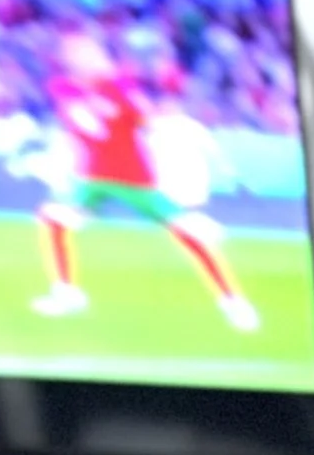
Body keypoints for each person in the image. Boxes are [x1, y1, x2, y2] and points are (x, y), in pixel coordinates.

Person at [32, 30, 259, 333]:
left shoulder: (121, 87)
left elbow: (144, 118)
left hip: (133, 177)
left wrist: (122, 94)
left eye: (90, 53)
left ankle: (233, 302)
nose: (85, 59)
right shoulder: (64, 88)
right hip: (92, 177)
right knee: (53, 219)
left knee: (187, 234)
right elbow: (81, 114)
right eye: (77, 54)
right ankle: (67, 293)